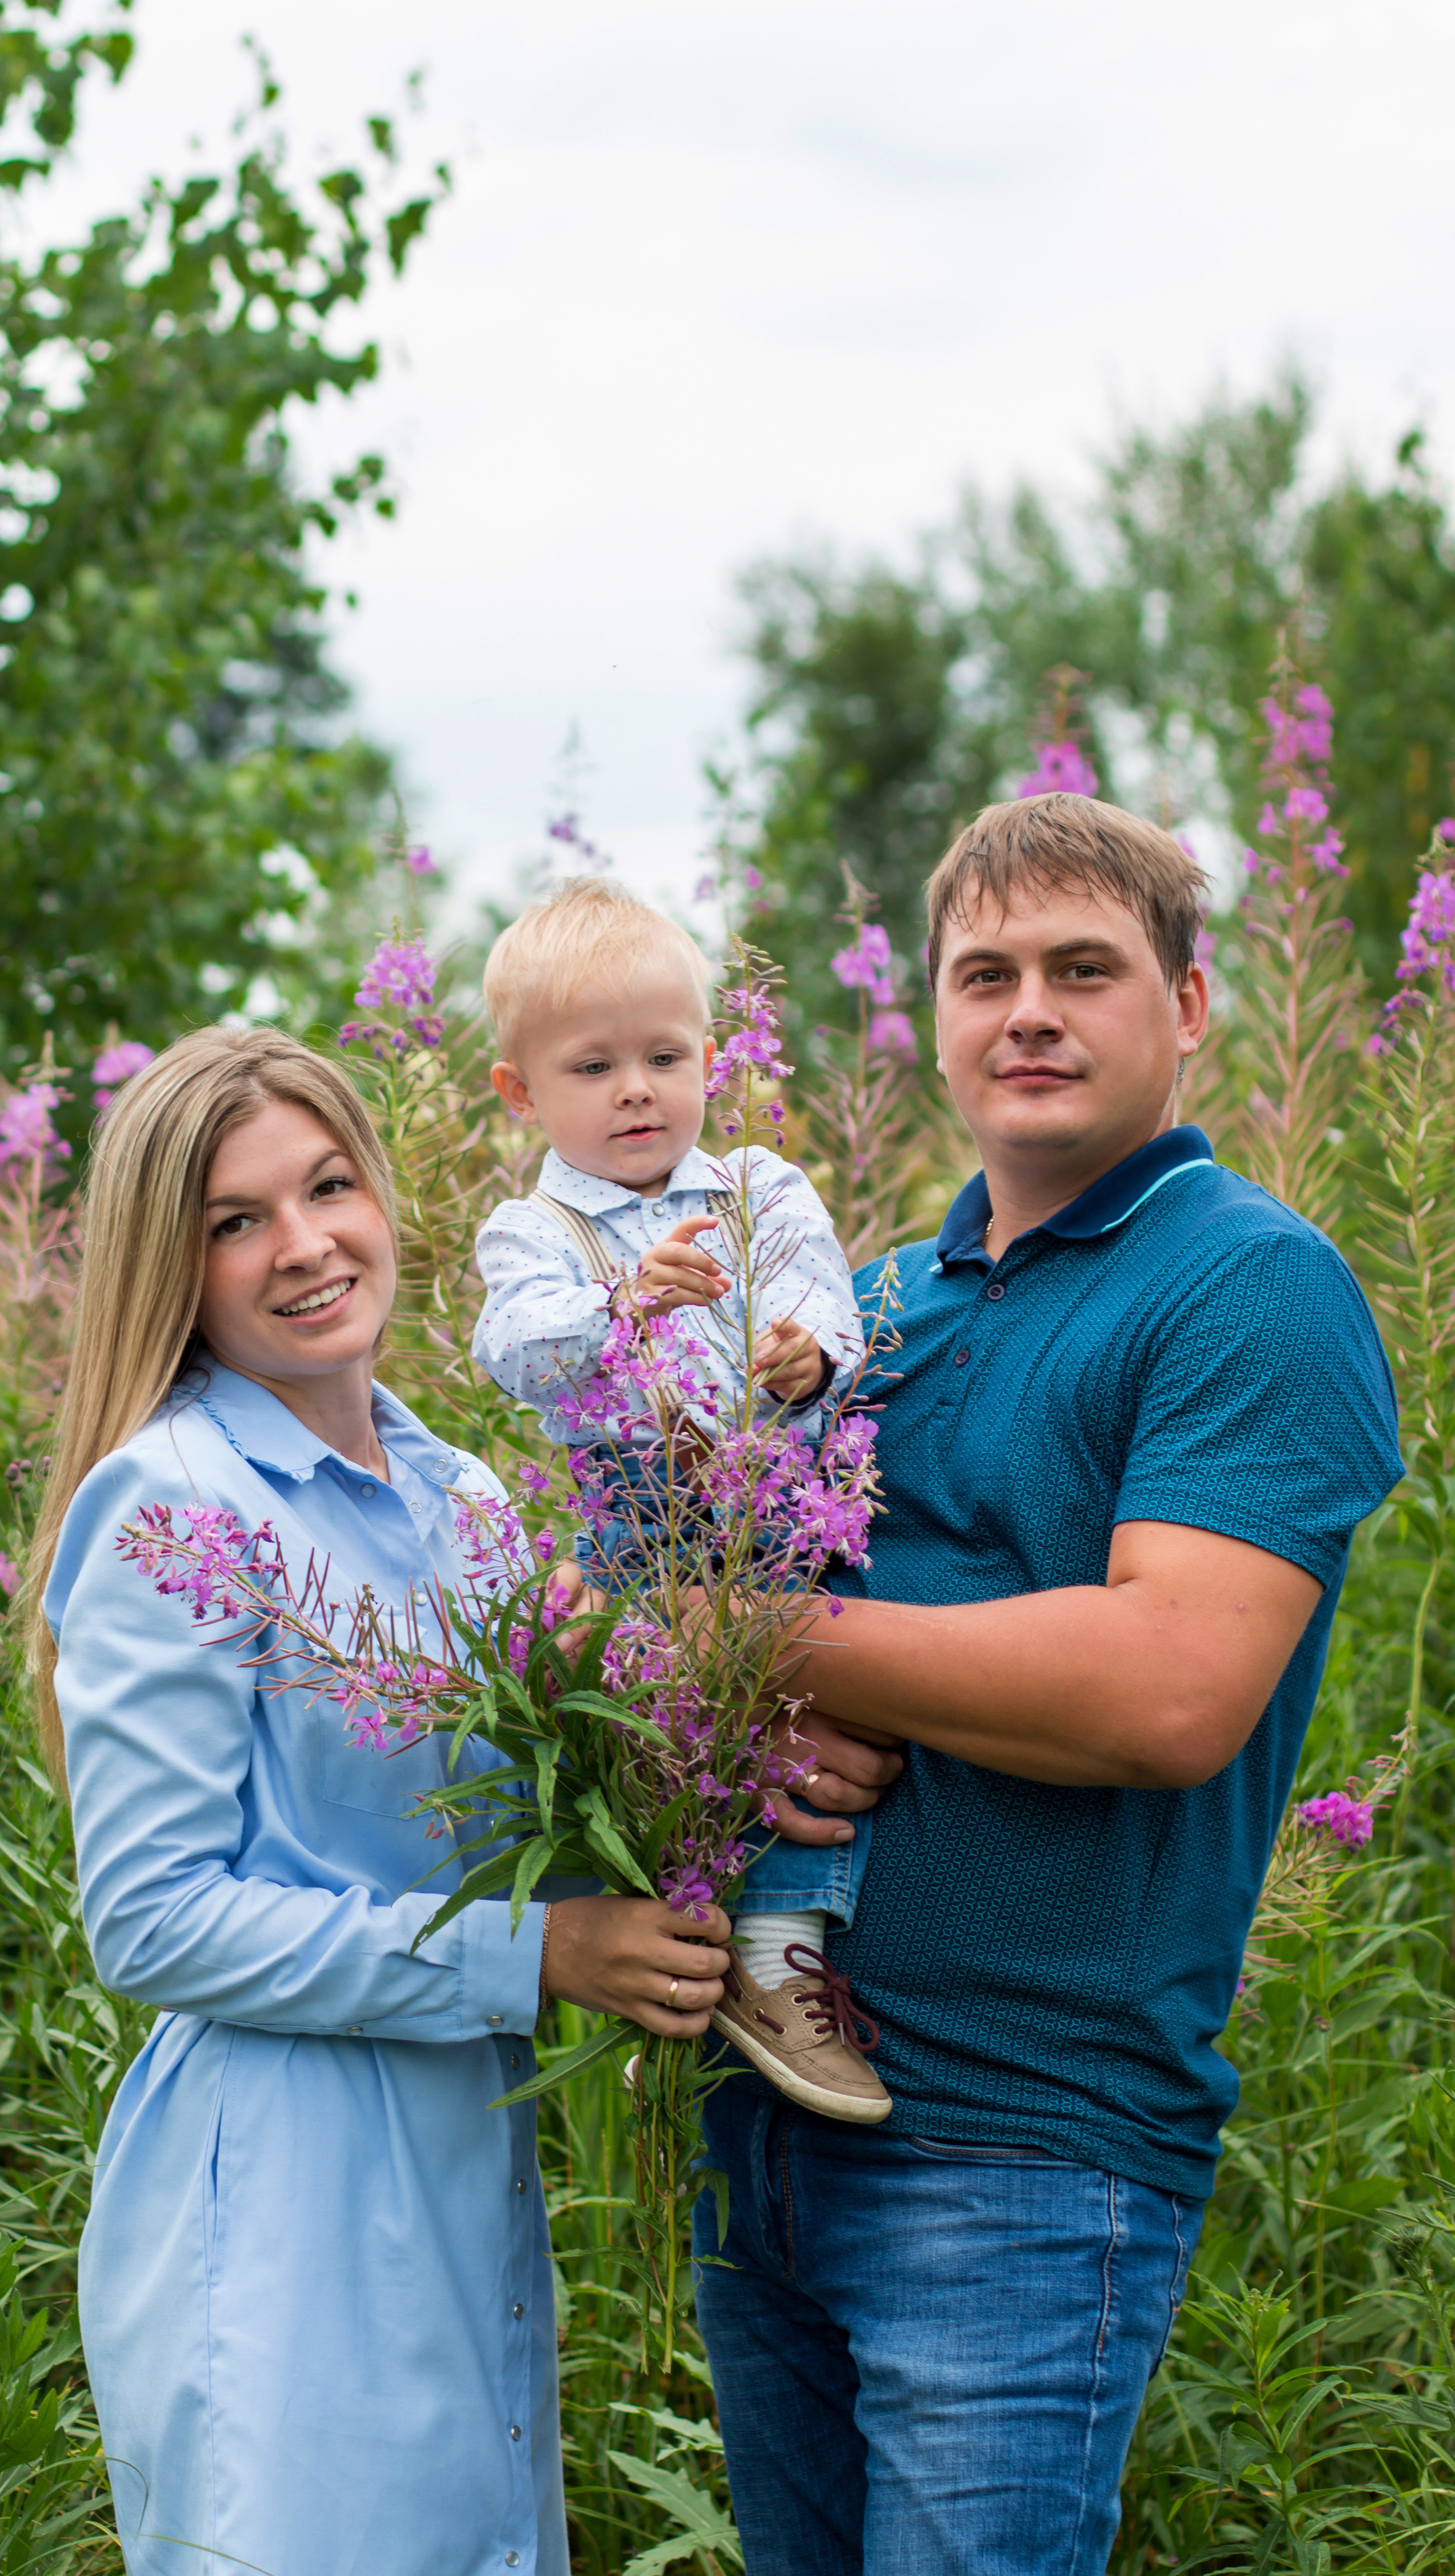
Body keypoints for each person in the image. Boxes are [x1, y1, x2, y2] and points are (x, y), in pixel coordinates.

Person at [692, 795, 1403, 2576]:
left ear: (1190, 1002)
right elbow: (737, 1635)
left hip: (1017, 2154)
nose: (1029, 1012)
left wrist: (760, 1648)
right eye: (985, 973)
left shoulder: (1248, 1286)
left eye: (1084, 971)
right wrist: (751, 1723)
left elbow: (1165, 1689)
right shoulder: (866, 1309)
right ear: (932, 1013)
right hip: (762, 2136)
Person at [19, 1026, 736, 2576]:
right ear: (174, 1267)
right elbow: (150, 1922)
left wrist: (752, 1743)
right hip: (277, 2193)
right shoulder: (173, 1501)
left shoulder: (458, 1500)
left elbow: (527, 1814)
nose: (304, 1246)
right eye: (234, 1221)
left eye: (328, 1186)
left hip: (456, 2160)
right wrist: (538, 1957)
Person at [473, 878, 889, 2123]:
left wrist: (810, 1361)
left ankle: (781, 1959)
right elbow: (515, 1354)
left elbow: (833, 1315)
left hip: (778, 1510)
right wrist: (622, 1303)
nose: (637, 1089)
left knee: (810, 1717)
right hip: (641, 1531)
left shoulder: (762, 1187)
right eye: (593, 1066)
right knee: (673, 1742)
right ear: (522, 1094)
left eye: (664, 1056)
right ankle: (679, 1943)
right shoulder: (532, 1231)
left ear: (711, 1058)